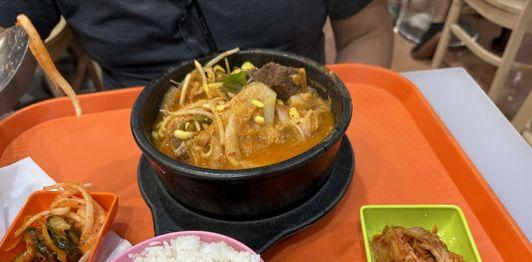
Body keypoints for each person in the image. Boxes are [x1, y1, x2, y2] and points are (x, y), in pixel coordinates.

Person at [0, 0, 393, 113]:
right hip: (132, 132)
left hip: (304, 115)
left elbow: (366, 30)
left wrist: (341, 114)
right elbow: (9, 47)